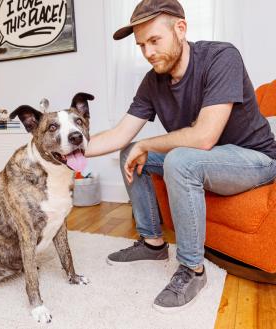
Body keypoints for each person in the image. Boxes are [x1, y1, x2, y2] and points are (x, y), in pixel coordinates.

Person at [85, 0, 276, 312]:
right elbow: (121, 134)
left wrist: (148, 145)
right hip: (207, 158)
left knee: (178, 159)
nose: (147, 52)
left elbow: (204, 137)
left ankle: (192, 269)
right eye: (141, 45)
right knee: (128, 153)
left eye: (154, 40)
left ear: (181, 28)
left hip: (254, 159)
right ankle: (152, 244)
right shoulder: (152, 81)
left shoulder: (220, 56)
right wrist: (65, 151)